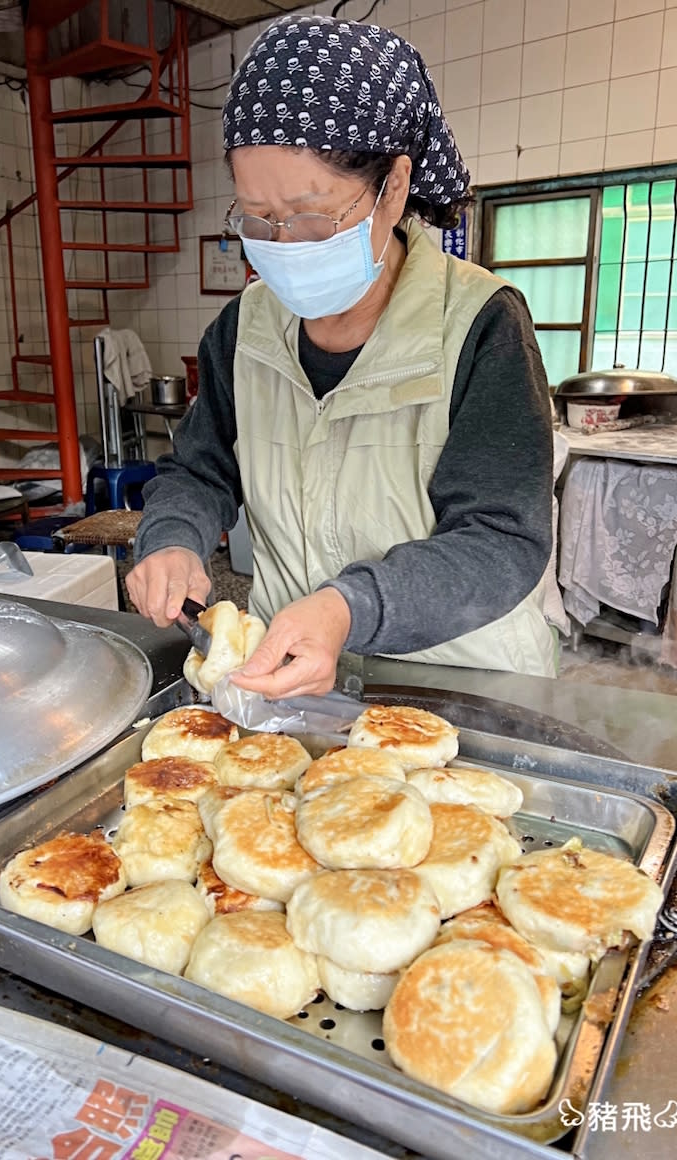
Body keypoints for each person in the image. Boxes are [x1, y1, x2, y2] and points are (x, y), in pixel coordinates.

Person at [127, 14, 556, 697]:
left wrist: (349, 608)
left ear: (392, 188)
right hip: (291, 685)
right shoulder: (243, 330)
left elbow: (502, 540)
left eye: (309, 215)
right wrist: (174, 535)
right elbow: (199, 470)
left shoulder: (479, 325)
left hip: (461, 685)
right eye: (256, 219)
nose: (283, 243)